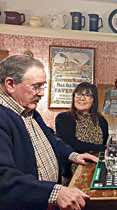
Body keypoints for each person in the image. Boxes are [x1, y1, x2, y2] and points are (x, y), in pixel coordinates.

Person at [0, 55, 98, 210]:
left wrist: (74, 155)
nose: (41, 93)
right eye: (36, 86)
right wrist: (54, 192)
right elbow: (3, 177)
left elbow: (51, 139)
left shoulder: (29, 111)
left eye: (43, 86)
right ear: (10, 84)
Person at [55, 82, 108, 177]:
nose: (82, 98)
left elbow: (104, 143)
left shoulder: (101, 120)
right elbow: (72, 144)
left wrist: (103, 148)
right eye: (78, 94)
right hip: (72, 173)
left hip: (97, 169)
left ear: (93, 100)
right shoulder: (63, 118)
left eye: (87, 95)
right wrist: (101, 148)